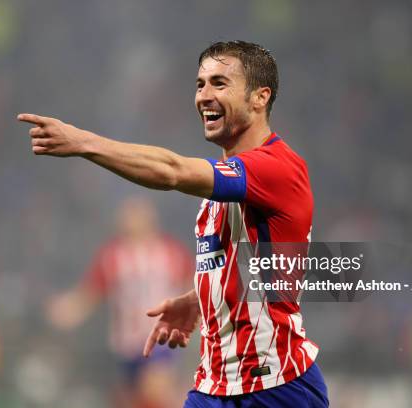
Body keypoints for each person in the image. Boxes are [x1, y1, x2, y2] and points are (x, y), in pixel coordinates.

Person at [18, 40, 329, 407]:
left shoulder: (278, 167)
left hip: (277, 387)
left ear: (260, 98)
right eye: (200, 84)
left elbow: (172, 171)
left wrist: (84, 142)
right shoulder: (217, 196)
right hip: (214, 386)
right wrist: (199, 299)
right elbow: (251, 265)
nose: (204, 96)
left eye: (220, 83)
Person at [45, 195, 193, 408]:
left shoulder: (172, 252)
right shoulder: (112, 256)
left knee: (155, 390)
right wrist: (69, 310)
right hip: (127, 343)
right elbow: (91, 292)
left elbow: (194, 284)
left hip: (161, 337)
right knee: (133, 399)